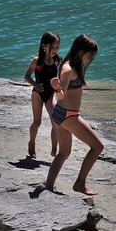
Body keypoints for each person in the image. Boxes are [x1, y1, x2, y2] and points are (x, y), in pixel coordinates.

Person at [45, 34, 104, 196]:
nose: (91, 57)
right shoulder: (68, 69)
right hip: (68, 115)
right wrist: (56, 88)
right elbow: (61, 94)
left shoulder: (73, 65)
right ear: (80, 51)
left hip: (62, 114)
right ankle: (80, 183)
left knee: (64, 153)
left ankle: (48, 187)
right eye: (89, 54)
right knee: (98, 147)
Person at [24, 32, 61, 159]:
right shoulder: (37, 60)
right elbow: (27, 76)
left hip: (50, 94)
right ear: (44, 46)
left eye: (57, 47)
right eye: (53, 47)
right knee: (37, 122)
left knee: (55, 122)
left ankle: (54, 149)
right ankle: (32, 143)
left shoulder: (57, 60)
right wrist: (35, 84)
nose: (55, 50)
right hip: (38, 94)